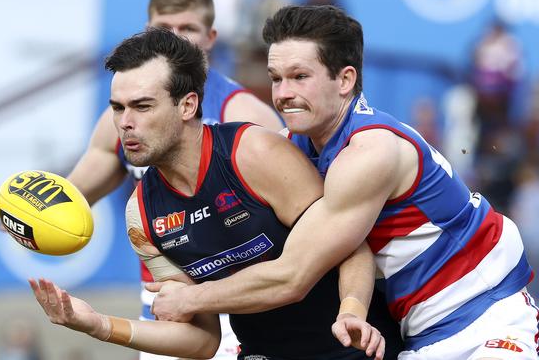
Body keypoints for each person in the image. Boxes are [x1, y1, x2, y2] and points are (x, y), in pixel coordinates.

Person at [146, 5, 539, 359]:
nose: (283, 94)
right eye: (276, 78)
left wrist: (192, 297)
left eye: (299, 76)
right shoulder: (297, 146)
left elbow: (294, 275)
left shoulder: (369, 151)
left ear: (344, 80)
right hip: (419, 333)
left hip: (486, 319)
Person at [30, 28, 396, 360]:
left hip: (352, 349)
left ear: (187, 105)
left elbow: (352, 248)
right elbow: (203, 339)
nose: (125, 122)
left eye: (142, 106)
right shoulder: (141, 214)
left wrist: (350, 310)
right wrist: (100, 326)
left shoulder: (253, 153)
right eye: (118, 108)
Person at [66, 0, 282, 359]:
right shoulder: (124, 117)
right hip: (166, 294)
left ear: (211, 37)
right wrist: (34, 216)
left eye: (189, 29)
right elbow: (74, 197)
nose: (178, 39)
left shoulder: (244, 115)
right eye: (166, 29)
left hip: (242, 301)